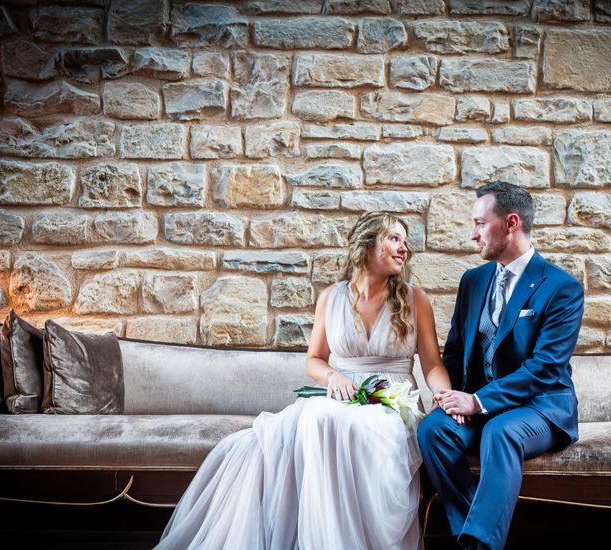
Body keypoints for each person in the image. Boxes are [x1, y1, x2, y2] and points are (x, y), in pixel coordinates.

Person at [156, 212, 455, 550]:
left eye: (405, 241)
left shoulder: (415, 299)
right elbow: (314, 360)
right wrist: (335, 376)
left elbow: (432, 364)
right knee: (294, 427)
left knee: (335, 423)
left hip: (392, 401)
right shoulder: (331, 298)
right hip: (342, 395)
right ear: (368, 244)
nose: (404, 249)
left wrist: (444, 395)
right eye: (394, 239)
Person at [417, 181, 585, 550]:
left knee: (502, 431)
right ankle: (470, 536)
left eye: (480, 223)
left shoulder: (561, 287)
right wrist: (449, 396)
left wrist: (477, 402)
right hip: (481, 404)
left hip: (540, 407)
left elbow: (545, 369)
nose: (472, 234)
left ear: (511, 223)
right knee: (433, 430)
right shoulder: (473, 280)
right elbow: (456, 350)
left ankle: (481, 544)